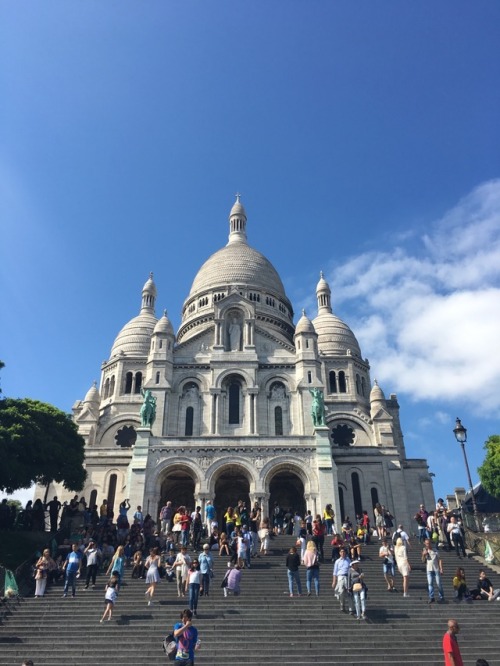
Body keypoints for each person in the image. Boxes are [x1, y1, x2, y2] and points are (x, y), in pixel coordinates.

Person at [422, 537, 444, 604]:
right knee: (430, 583)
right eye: (426, 544)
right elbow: (423, 561)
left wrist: (441, 568)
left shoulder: (435, 550)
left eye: (428, 543)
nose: (427, 545)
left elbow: (439, 560)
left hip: (436, 569)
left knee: (438, 584)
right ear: (425, 544)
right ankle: (431, 597)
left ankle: (441, 596)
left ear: (430, 543)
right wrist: (423, 555)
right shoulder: (424, 550)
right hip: (429, 570)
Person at [332, 547, 351, 611]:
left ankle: (351, 608)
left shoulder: (348, 560)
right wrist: (334, 581)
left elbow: (351, 569)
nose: (342, 553)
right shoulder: (337, 561)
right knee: (341, 591)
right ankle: (342, 604)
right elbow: (335, 572)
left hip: (347, 577)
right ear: (339, 553)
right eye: (341, 552)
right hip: (340, 577)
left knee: (349, 592)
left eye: (343, 552)